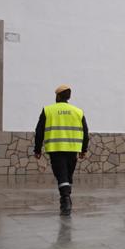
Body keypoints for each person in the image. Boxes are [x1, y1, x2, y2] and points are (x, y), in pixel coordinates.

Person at [34, 84, 89, 216]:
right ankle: (66, 198)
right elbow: (85, 132)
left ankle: (65, 200)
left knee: (63, 176)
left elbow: (39, 131)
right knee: (67, 175)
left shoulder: (48, 110)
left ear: (58, 96)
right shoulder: (78, 111)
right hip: (72, 149)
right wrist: (83, 149)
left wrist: (37, 149)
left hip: (56, 149)